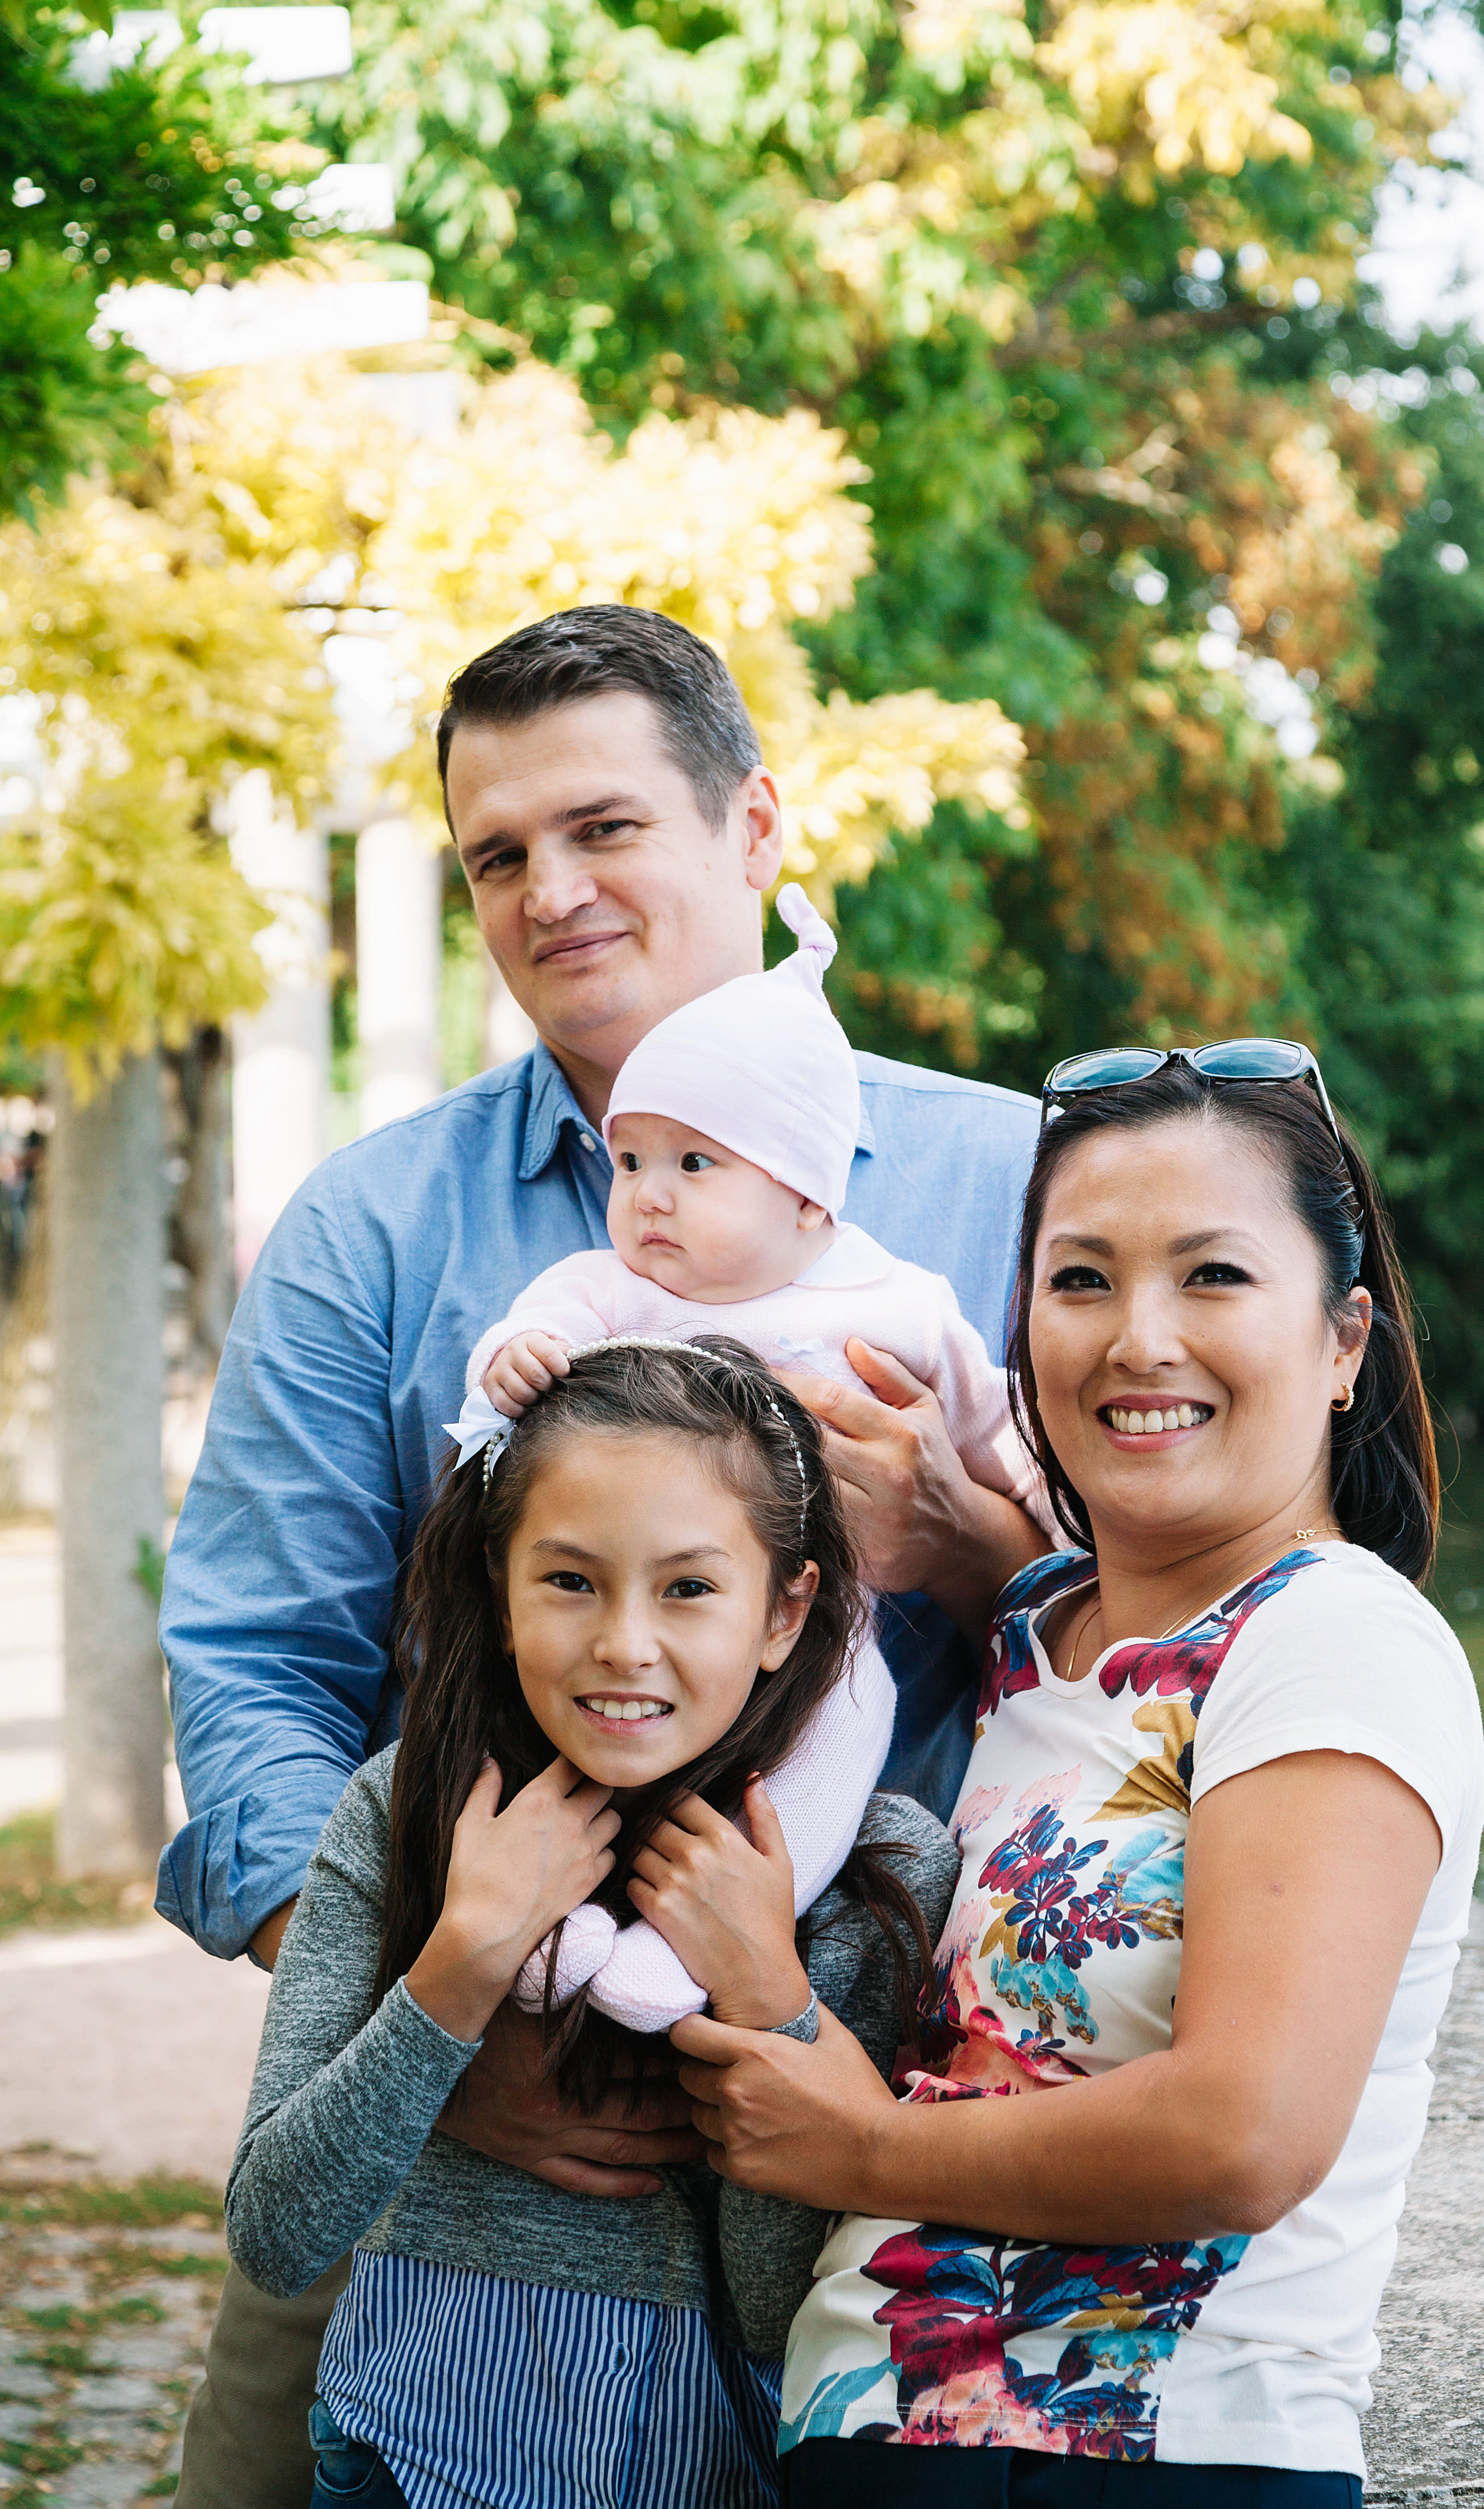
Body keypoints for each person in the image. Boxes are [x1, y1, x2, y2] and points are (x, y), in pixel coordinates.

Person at [160, 604, 1045, 2508]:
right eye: (498, 856)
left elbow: (1178, 1656)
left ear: (757, 828)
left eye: (605, 826)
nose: (550, 889)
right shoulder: (374, 1228)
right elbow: (250, 1670)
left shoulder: (1018, 1189)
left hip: (920, 2159)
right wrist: (440, 2023)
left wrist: (969, 1552)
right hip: (432, 2177)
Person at [669, 1043, 1484, 2505]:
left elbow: (1239, 2134)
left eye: (1213, 1276)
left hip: (1140, 2454)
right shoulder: (1052, 1638)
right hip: (874, 2439)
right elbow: (1094, 1662)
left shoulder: (1333, 1642)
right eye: (1081, 1279)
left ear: (1343, 1336)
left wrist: (859, 2140)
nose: (1138, 1340)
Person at [228, 1336, 958, 2509]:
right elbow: (276, 2230)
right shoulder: (404, 1808)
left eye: (689, 1587)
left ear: (786, 1611)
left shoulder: (880, 1869)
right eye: (570, 1580)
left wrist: (767, 1992)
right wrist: (462, 1962)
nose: (625, 1643)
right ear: (502, 1592)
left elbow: (787, 2309)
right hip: (406, 2470)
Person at [450, 881, 1051, 2036]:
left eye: (694, 1166)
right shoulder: (614, 1288)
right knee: (505, 1716)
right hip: (632, 1617)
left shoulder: (898, 1303)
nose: (648, 1200)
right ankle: (542, 1928)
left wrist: (1024, 1503)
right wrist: (519, 1358)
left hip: (820, 1628)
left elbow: (998, 1427)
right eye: (631, 1164)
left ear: (810, 1202)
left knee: (835, 1751)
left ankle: (688, 1954)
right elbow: (528, 1332)